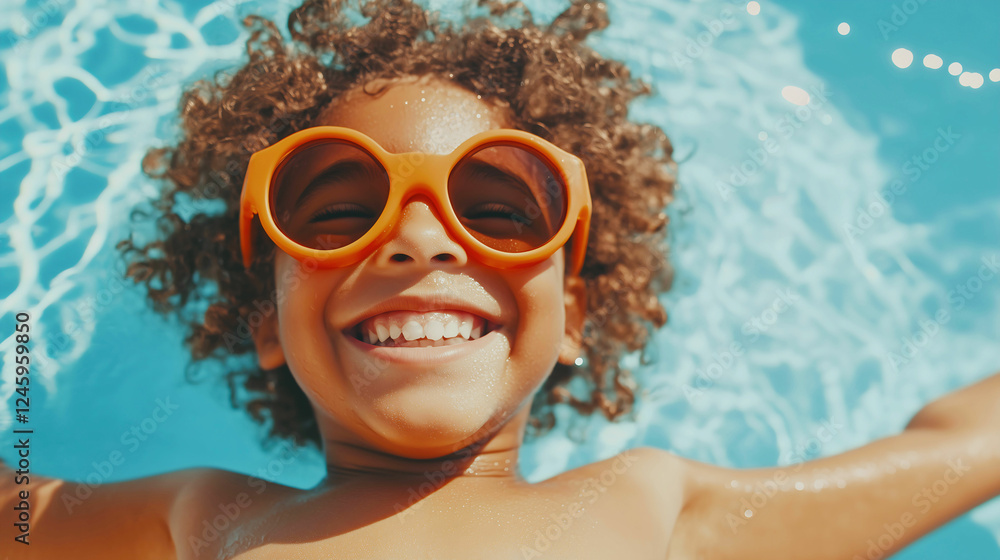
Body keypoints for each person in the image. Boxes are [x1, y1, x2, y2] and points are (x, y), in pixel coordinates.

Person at [2, 0, 998, 558]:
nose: (421, 243)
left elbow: (957, 445)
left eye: (501, 210)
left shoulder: (662, 509)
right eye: (339, 212)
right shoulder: (205, 513)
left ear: (578, 314)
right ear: (265, 317)